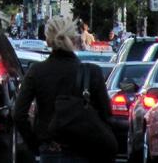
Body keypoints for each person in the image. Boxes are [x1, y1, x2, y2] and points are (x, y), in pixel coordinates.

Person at [14, 16, 112, 162]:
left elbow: (19, 114)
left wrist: (35, 143)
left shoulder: (37, 71)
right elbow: (106, 114)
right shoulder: (92, 72)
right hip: (83, 149)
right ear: (74, 39)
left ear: (48, 41)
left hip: (50, 149)